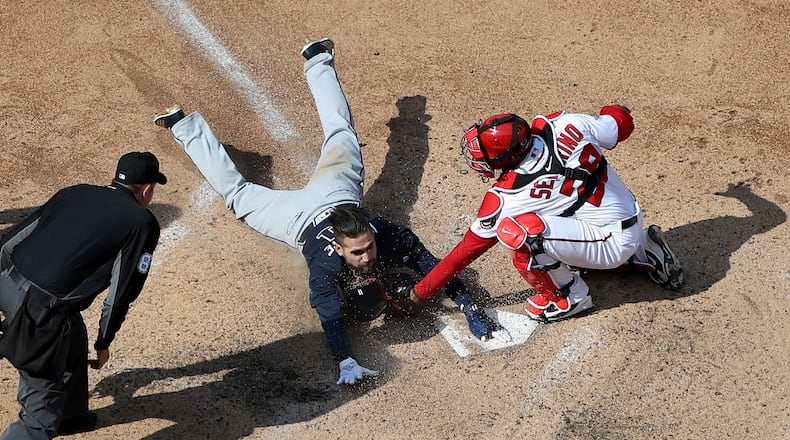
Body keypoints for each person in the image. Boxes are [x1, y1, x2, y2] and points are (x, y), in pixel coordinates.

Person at [152, 38, 505, 386]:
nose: (367, 255)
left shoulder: (388, 235)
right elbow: (331, 319)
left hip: (338, 193)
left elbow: (437, 266)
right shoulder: (324, 265)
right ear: (339, 249)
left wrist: (468, 303)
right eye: (358, 251)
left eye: (368, 247)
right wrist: (346, 360)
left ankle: (317, 58)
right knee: (238, 193)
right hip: (294, 219)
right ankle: (182, 126)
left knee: (341, 134)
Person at [408, 108, 684, 322]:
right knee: (572, 203)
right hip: (629, 217)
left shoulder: (510, 196)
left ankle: (569, 297)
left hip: (610, 244)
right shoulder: (567, 124)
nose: (481, 160)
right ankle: (645, 249)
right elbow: (621, 123)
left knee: (520, 234)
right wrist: (614, 110)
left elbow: (464, 253)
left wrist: (419, 293)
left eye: (488, 157)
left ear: (508, 158)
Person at [0, 152, 167, 439]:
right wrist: (105, 340)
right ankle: (48, 419)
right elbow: (121, 292)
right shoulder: (142, 222)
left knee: (73, 334)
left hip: (5, 285)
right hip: (40, 313)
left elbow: (9, 243)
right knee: (37, 420)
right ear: (147, 190)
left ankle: (71, 414)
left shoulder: (75, 192)